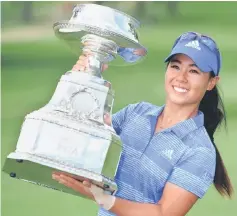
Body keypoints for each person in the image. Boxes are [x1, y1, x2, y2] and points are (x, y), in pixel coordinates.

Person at [52, 31, 233, 216]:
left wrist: (104, 199)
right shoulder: (136, 113)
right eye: (175, 66)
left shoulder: (200, 151)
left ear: (211, 82)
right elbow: (82, 139)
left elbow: (164, 213)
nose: (181, 77)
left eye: (194, 71)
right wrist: (82, 80)